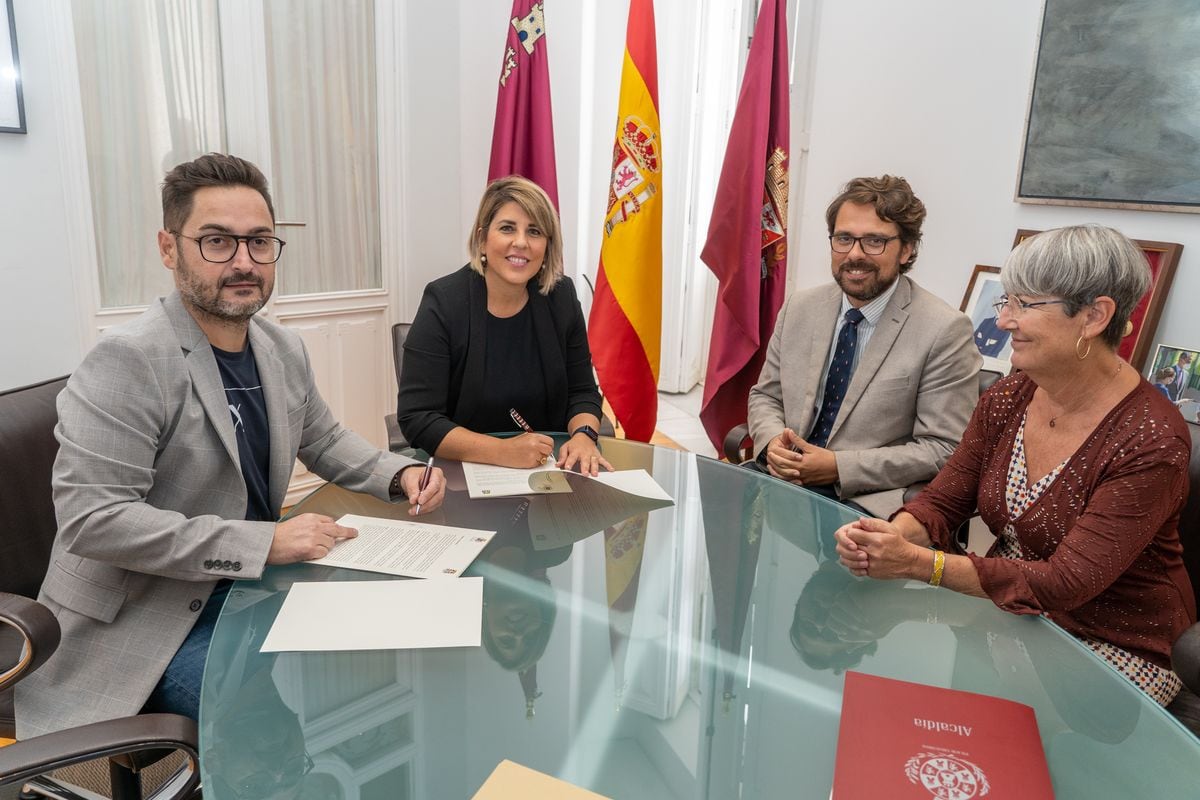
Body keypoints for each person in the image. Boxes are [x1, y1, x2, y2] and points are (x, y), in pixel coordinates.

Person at [16, 153, 446, 738]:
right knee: (261, 714)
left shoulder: (279, 348)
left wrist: (399, 476)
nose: (244, 262)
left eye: (259, 242)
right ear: (169, 249)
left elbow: (323, 437)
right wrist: (265, 541)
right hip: (146, 616)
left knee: (396, 630)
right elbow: (95, 521)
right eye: (217, 242)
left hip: (242, 585)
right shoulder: (128, 360)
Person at [834, 225, 1196, 710]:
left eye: (1024, 305)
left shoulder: (1150, 438)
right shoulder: (1010, 395)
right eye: (1006, 301)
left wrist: (918, 564)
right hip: (1011, 610)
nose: (1002, 321)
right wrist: (894, 538)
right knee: (922, 711)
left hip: (1117, 640)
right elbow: (944, 500)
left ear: (1094, 316)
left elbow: (1065, 583)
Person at [747, 175, 981, 516]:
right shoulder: (800, 307)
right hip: (780, 479)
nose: (854, 254)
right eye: (844, 239)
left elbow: (944, 448)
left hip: (862, 502)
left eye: (874, 241)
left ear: (907, 249)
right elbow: (766, 395)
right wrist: (770, 444)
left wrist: (839, 466)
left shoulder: (944, 330)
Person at [397, 176, 611, 476]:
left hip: (549, 473)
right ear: (483, 238)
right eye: (507, 228)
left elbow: (582, 391)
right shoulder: (444, 302)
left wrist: (583, 436)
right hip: (460, 476)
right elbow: (418, 417)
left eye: (534, 231)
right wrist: (503, 452)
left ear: (547, 246)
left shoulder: (560, 297)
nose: (521, 242)